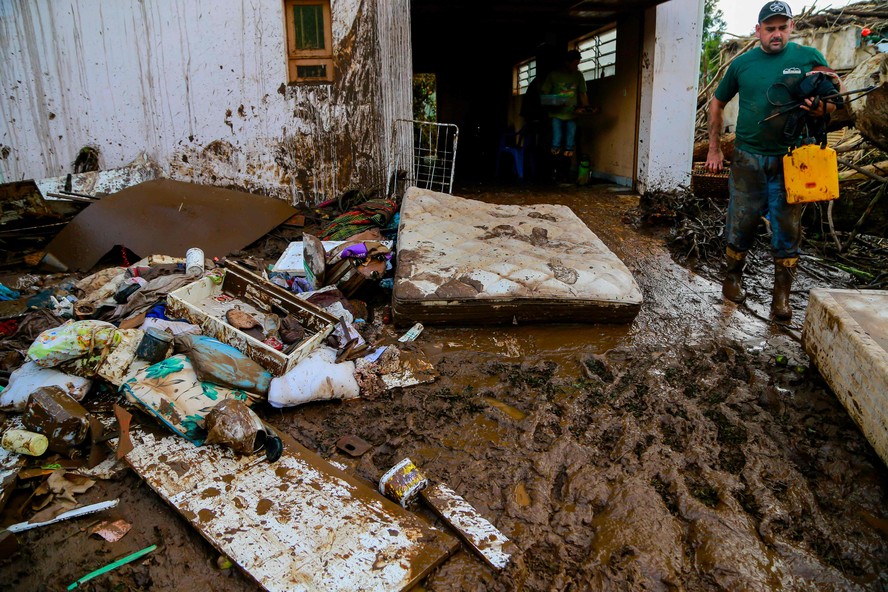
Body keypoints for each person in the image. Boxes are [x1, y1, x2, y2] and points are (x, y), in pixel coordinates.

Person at [706, 1, 839, 320]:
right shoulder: (742, 64)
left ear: (791, 27)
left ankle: (781, 298)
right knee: (741, 221)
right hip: (748, 158)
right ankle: (732, 279)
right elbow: (717, 102)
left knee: (788, 227)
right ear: (758, 31)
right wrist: (714, 148)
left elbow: (835, 101)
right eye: (770, 28)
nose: (776, 34)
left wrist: (822, 108)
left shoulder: (809, 58)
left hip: (792, 160)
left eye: (782, 27)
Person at [541, 49, 589, 160]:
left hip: (572, 114)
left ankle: (565, 170)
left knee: (570, 145)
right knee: (556, 141)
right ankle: (554, 168)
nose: (577, 67)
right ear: (567, 63)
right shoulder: (553, 75)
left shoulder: (578, 75)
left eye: (578, 64)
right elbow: (544, 95)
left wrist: (587, 108)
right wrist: (557, 101)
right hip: (556, 115)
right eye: (575, 64)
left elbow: (583, 94)